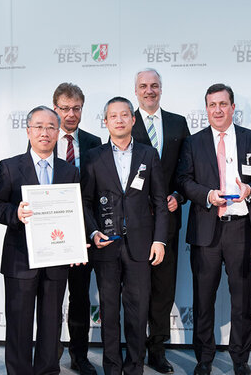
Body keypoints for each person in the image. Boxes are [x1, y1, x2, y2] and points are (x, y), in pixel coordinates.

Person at [177, 83, 251, 375]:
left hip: (241, 229)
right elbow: (184, 180)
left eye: (223, 104)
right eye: (212, 105)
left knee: (242, 298)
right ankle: (204, 359)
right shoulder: (193, 142)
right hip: (206, 229)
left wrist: (250, 191)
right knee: (203, 299)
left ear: (233, 107)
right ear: (206, 109)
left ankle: (240, 360)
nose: (217, 110)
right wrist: (207, 195)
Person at [0, 106, 80, 375]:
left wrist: (77, 241)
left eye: (51, 127)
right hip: (20, 259)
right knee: (18, 325)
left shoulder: (68, 171)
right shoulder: (9, 166)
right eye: (38, 126)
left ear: (58, 132)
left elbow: (75, 212)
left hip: (57, 258)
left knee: (51, 323)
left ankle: (48, 371)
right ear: (28, 131)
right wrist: (14, 213)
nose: (45, 132)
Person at [82, 96, 169, 375]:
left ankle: (134, 367)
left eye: (124, 115)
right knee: (108, 312)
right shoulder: (94, 156)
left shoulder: (148, 154)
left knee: (137, 310)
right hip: (105, 246)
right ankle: (111, 367)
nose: (119, 120)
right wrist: (93, 231)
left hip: (141, 246)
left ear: (133, 119)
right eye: (113, 116)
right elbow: (84, 201)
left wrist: (159, 240)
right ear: (105, 122)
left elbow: (159, 201)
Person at [131, 68, 190, 374]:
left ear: (161, 89)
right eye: (144, 86)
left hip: (168, 221)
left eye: (154, 85)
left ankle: (157, 349)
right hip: (136, 223)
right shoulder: (124, 121)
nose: (149, 90)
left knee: (164, 288)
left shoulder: (179, 123)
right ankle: (135, 350)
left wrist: (178, 196)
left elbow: (187, 170)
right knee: (137, 289)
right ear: (136, 90)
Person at [52, 82, 102, 374]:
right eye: (65, 108)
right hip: (53, 230)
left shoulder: (94, 142)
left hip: (86, 231)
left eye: (76, 108)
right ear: (55, 108)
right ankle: (50, 352)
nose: (71, 114)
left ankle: (78, 355)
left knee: (81, 296)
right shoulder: (43, 137)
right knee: (51, 295)